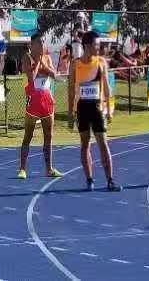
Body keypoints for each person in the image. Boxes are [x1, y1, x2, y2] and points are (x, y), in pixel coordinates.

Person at [68, 31, 122, 192]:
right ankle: (89, 179)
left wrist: (109, 110)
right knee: (85, 144)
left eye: (99, 45)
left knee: (103, 144)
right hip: (82, 109)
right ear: (86, 46)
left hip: (98, 109)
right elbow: (71, 90)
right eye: (96, 45)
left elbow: (107, 88)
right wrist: (70, 113)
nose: (98, 48)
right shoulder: (75, 64)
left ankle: (110, 180)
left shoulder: (101, 62)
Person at [18, 34, 63, 180]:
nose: (42, 45)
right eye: (39, 43)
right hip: (33, 100)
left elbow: (53, 74)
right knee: (28, 135)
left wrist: (43, 65)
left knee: (48, 135)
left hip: (46, 99)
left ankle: (49, 169)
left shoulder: (47, 57)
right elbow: (32, 77)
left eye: (43, 42)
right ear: (32, 45)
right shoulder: (27, 58)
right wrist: (38, 64)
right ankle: (22, 169)